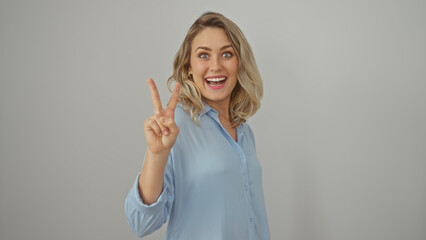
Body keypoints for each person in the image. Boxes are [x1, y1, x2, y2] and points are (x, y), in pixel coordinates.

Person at [125, 12, 270, 239]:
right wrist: (156, 155)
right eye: (203, 55)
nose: (216, 66)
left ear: (239, 62)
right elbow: (140, 223)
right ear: (188, 67)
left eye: (227, 54)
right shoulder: (175, 128)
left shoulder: (244, 130)